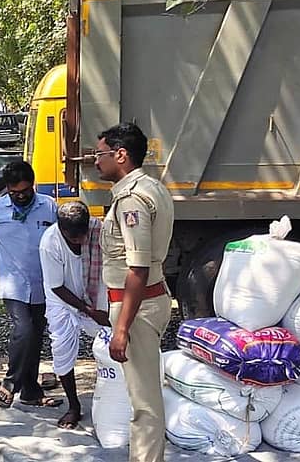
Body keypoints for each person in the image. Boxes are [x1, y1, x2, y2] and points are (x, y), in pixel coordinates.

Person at [94, 123, 174, 462]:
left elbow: (137, 267)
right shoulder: (152, 187)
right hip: (146, 301)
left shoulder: (131, 199)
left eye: (100, 154)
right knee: (144, 395)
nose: (95, 161)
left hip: (137, 308)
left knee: (144, 403)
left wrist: (122, 328)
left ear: (121, 155)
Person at [0, 160, 61, 409]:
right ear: (7, 189)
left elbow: (60, 244)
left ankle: (31, 392)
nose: (20, 197)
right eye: (14, 193)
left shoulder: (49, 206)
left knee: (35, 337)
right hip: (13, 284)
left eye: (25, 191)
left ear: (33, 185)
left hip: (43, 283)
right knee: (23, 330)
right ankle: (10, 383)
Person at [39, 201, 110, 430]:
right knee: (61, 350)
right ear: (61, 228)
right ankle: (73, 406)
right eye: (74, 237)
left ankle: (116, 394)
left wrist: (98, 311)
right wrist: (89, 311)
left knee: (114, 341)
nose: (80, 240)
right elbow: (56, 287)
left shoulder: (99, 231)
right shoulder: (50, 243)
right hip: (63, 301)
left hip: (96, 291)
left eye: (83, 235)